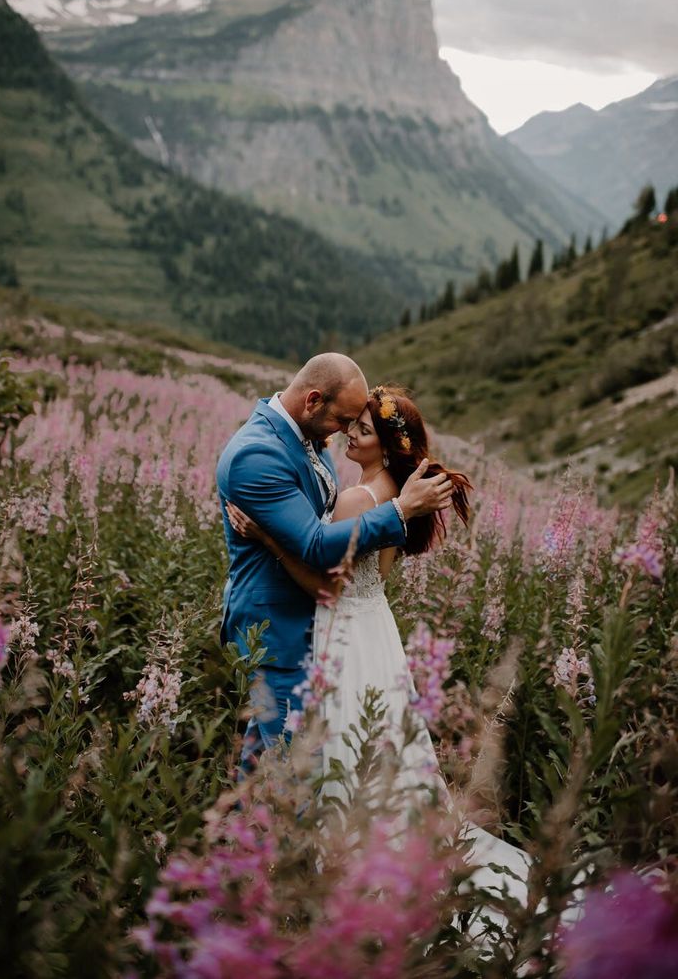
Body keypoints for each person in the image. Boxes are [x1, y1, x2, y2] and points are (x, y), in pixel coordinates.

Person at [227, 382, 532, 908]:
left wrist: (269, 536)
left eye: (362, 430)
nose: (348, 432)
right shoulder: (394, 492)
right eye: (351, 423)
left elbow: (327, 586)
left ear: (386, 448)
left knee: (340, 746)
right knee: (382, 745)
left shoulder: (357, 498)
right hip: (376, 633)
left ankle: (327, 876)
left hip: (342, 634)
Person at [215, 354, 454, 765]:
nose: (344, 433)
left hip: (326, 624)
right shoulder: (255, 455)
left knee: (275, 759)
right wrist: (400, 510)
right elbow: (317, 543)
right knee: (287, 764)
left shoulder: (313, 442)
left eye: (356, 426)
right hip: (276, 629)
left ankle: (247, 824)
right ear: (312, 401)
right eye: (343, 421)